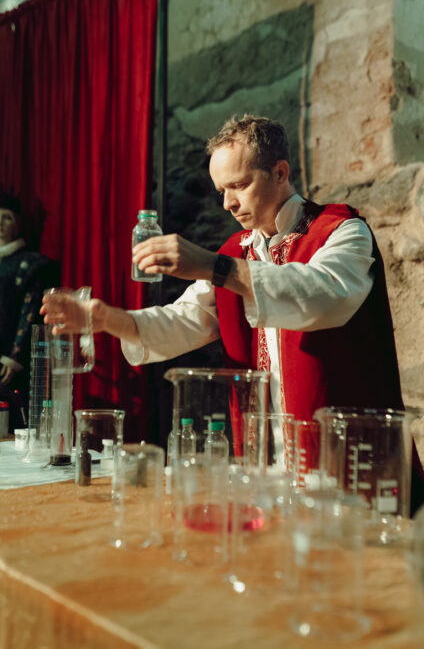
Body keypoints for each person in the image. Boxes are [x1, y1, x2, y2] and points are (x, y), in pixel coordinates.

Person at [41, 114, 424, 510]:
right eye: (221, 190)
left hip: (352, 466)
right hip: (270, 472)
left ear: (280, 172)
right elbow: (183, 320)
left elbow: (322, 295)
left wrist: (213, 266)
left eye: (239, 185)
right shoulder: (235, 252)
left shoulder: (341, 231)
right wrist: (105, 318)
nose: (228, 203)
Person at [0, 188, 51, 425]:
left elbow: (29, 311)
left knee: (2, 412)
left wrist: (14, 355)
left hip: (2, 353)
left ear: (18, 222)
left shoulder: (28, 263)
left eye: (7, 217)